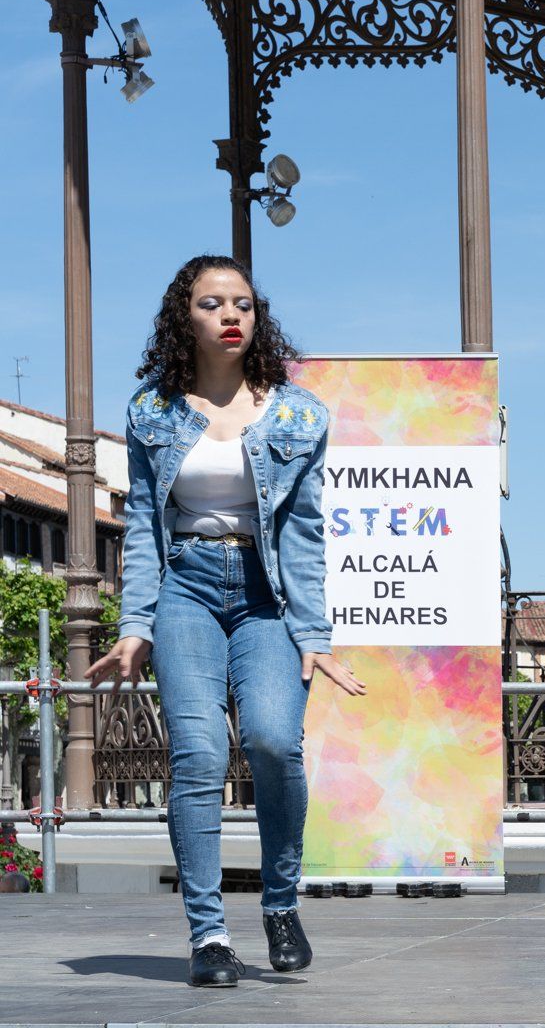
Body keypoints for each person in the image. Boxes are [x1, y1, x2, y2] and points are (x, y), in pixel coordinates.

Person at [86, 256, 365, 988]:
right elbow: (143, 524)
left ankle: (280, 902)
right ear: (185, 318)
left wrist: (314, 635)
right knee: (200, 754)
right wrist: (135, 625)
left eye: (242, 302)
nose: (231, 315)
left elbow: (303, 533)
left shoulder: (298, 415)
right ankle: (209, 935)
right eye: (211, 304)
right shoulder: (153, 412)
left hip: (265, 593)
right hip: (187, 586)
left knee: (273, 741)